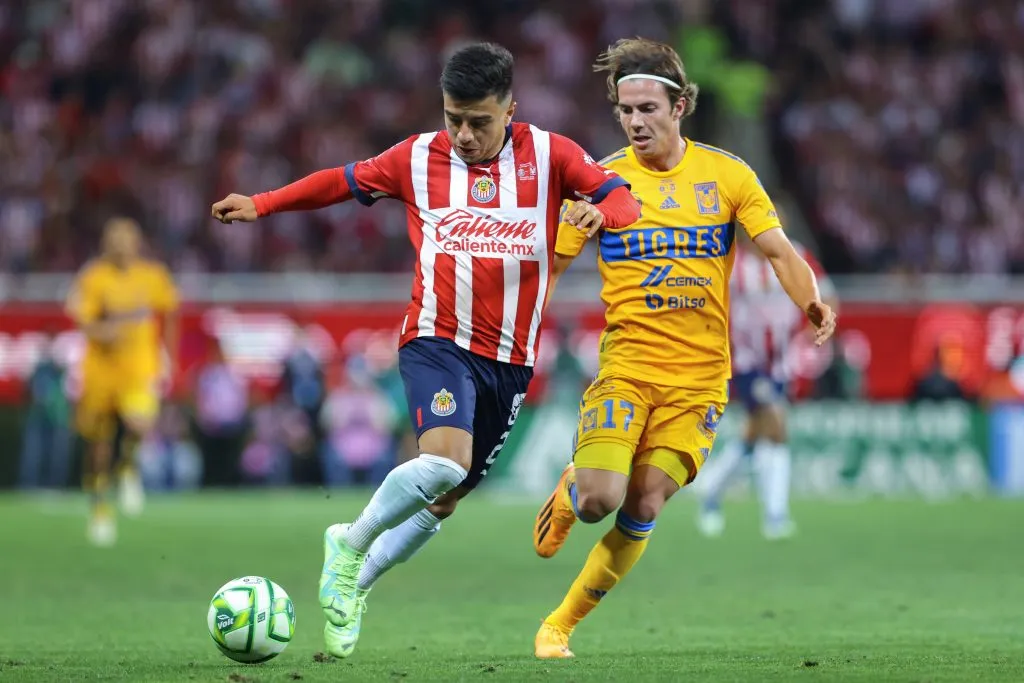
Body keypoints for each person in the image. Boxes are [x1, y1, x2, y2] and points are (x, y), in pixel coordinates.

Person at [210, 42, 640, 659]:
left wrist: (607, 214)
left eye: (479, 122)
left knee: (445, 497)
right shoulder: (416, 158)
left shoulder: (551, 155)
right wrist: (263, 203)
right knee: (442, 463)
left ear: (510, 109)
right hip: (437, 338)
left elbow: (620, 193)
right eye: (453, 118)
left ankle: (354, 585)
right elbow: (341, 181)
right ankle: (349, 542)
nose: (463, 134)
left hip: (511, 360)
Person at [530, 38, 837, 659]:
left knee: (644, 501)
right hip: (628, 368)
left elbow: (778, 250)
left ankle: (557, 626)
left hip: (699, 382)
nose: (635, 121)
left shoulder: (728, 175)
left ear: (680, 107)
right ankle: (571, 490)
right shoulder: (599, 184)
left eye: (647, 108)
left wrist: (810, 302)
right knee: (599, 500)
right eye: (625, 109)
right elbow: (548, 271)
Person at [696, 231, 837, 540]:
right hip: (746, 361)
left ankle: (711, 495)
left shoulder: (796, 253)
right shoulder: (734, 264)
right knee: (776, 426)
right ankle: (776, 516)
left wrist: (822, 321)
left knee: (753, 435)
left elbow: (825, 291)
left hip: (781, 363)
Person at [65, 217, 180, 546]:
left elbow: (170, 312)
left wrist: (168, 355)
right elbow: (83, 321)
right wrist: (106, 331)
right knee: (99, 447)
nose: (121, 245)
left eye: (127, 239)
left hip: (139, 368)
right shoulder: (93, 277)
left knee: (139, 424)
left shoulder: (152, 275)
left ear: (137, 242)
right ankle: (100, 510)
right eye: (115, 239)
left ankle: (128, 466)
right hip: (101, 370)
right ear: (106, 244)